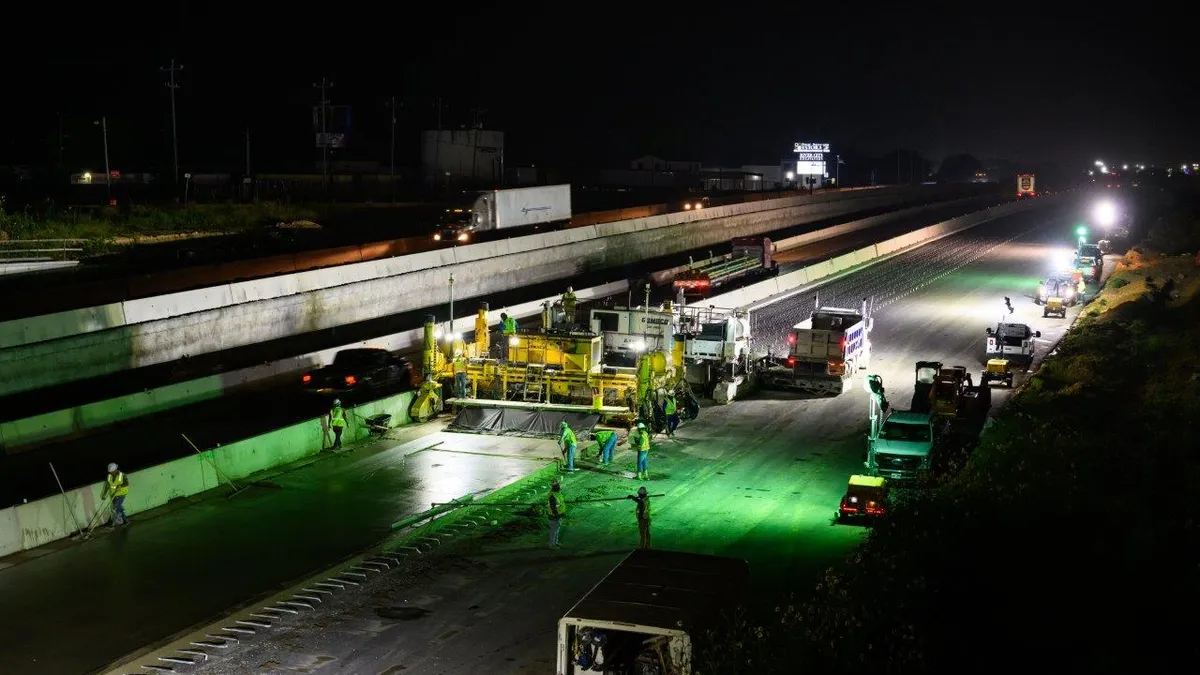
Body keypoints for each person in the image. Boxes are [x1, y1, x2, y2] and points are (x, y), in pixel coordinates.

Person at [100, 463, 130, 528]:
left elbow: (127, 483)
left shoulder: (122, 475)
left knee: (116, 506)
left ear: (116, 470)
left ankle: (114, 523)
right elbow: (107, 486)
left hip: (121, 493)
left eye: (112, 472)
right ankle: (125, 520)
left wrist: (120, 486)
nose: (111, 473)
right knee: (118, 508)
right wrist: (104, 494)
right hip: (113, 494)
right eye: (110, 472)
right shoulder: (109, 476)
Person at [547, 480, 566, 549]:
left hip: (558, 515)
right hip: (554, 516)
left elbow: (560, 504)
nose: (559, 486)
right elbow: (553, 507)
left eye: (558, 485)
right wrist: (557, 515)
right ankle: (552, 545)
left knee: (556, 530)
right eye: (558, 485)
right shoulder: (552, 496)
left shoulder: (557, 493)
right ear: (555, 487)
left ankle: (556, 542)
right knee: (553, 531)